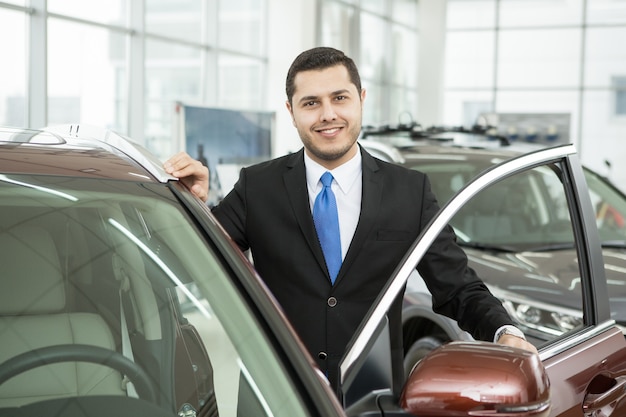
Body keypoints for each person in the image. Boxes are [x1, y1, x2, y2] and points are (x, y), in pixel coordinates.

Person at [164, 46, 537, 395]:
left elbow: (457, 287)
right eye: (311, 103)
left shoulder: (409, 191)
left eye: (339, 98)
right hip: (278, 396)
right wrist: (192, 207)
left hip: (371, 396)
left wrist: (504, 331)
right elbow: (194, 261)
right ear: (291, 111)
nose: (328, 114)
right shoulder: (257, 186)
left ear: (361, 99)